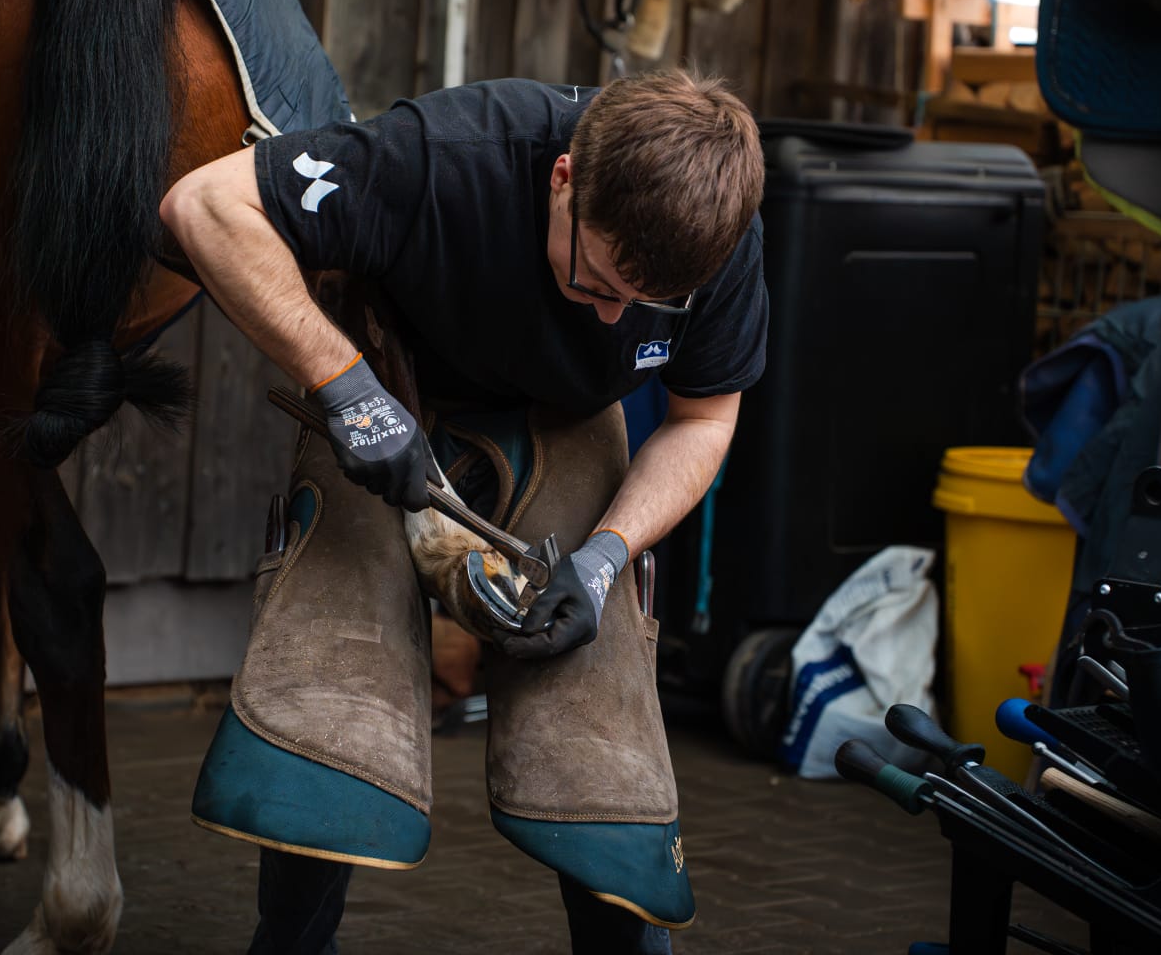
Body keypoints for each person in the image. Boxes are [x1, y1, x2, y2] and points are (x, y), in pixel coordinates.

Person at [164, 68, 766, 953]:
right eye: (595, 277)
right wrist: (351, 395)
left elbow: (706, 417)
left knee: (601, 739)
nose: (610, 318)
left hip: (567, 426)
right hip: (393, 397)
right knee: (335, 704)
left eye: (641, 307)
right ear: (563, 178)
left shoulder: (720, 236)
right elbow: (205, 205)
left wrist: (606, 558)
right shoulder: (444, 156)